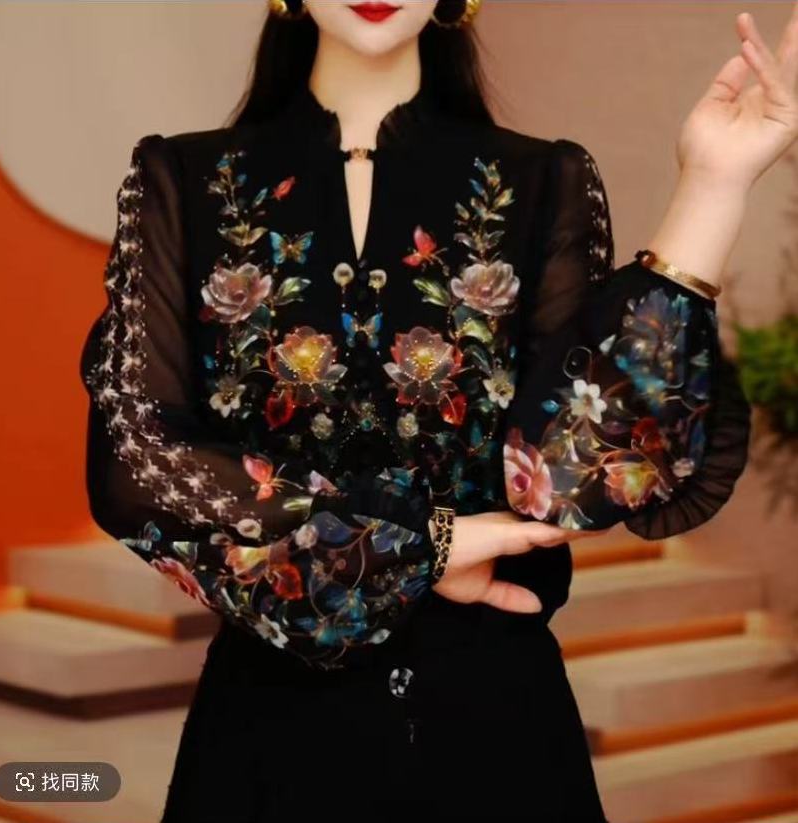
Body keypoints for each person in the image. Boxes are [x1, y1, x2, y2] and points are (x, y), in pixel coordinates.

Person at [78, 1, 798, 820]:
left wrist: (712, 184)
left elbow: (572, 472)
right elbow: (137, 459)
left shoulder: (542, 179)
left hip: (494, 720)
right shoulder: (180, 177)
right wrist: (427, 545)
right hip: (270, 727)